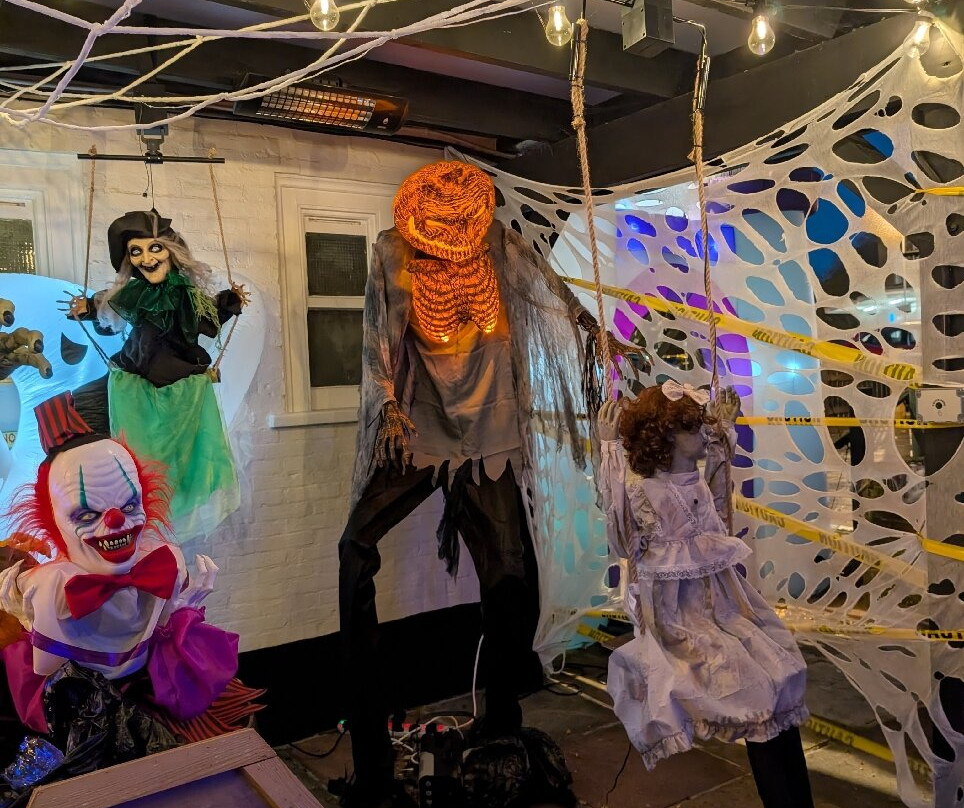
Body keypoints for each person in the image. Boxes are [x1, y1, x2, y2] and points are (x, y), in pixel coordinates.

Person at [339, 160, 600, 808]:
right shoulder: (394, 253)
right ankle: (370, 745)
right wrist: (386, 402)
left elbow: (548, 293)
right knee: (355, 549)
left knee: (507, 578)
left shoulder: (499, 245)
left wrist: (588, 325)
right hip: (418, 429)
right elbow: (377, 342)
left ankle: (501, 721)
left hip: (490, 434)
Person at [596, 381, 814, 808]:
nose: (703, 433)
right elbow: (622, 538)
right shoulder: (644, 491)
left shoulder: (696, 481)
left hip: (727, 610)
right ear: (666, 436)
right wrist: (610, 453)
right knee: (757, 697)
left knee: (783, 675)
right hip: (681, 622)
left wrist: (723, 432)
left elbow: (717, 501)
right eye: (692, 428)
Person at [62, 210, 242, 539]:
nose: (146, 258)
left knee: (178, 456)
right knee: (124, 443)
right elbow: (107, 314)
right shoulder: (134, 294)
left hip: (180, 383)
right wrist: (88, 311)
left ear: (171, 252)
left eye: (154, 248)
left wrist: (228, 305)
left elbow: (209, 321)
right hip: (135, 379)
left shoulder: (187, 296)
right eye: (136, 251)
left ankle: (165, 506)